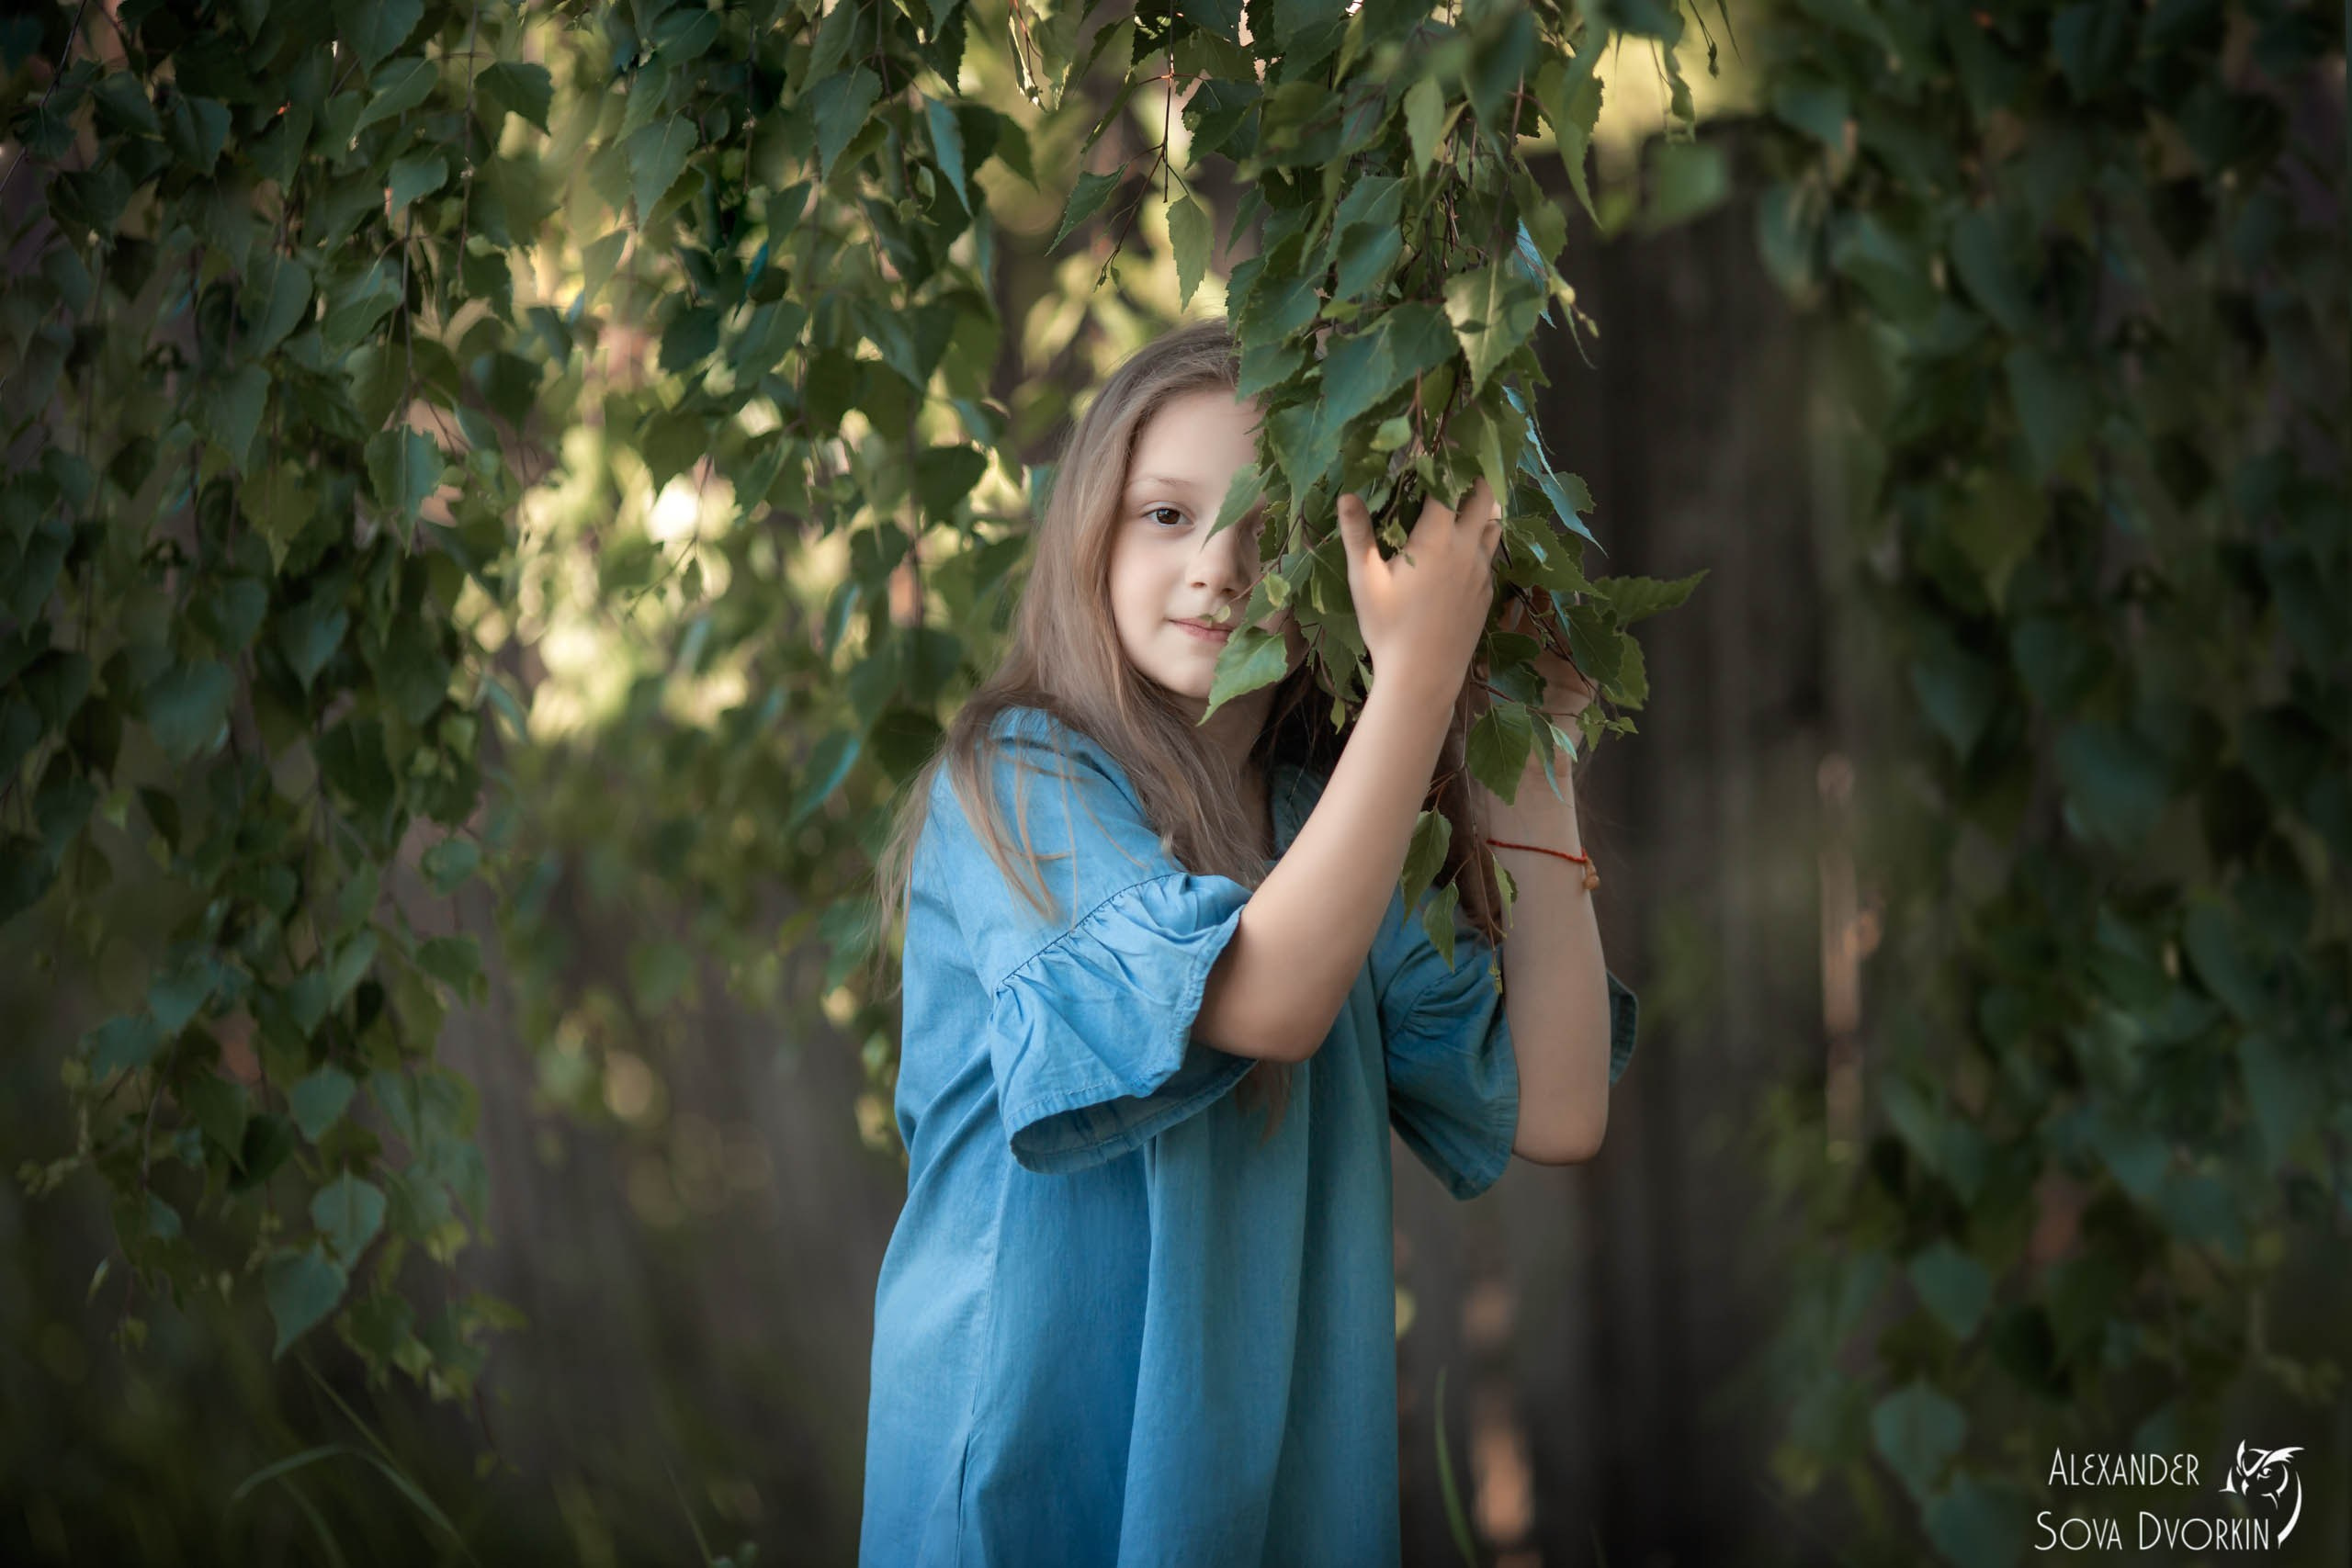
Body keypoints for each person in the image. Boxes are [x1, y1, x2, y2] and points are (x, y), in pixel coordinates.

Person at [858, 317, 1640, 1565]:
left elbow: (1555, 1108)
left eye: (1271, 528)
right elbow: (1266, 1000)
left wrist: (1535, 742)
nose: (1220, 568)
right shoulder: (1015, 780)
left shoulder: (1331, 821)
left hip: (1257, 1494)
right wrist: (1419, 682)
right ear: (1093, 531)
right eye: (1165, 515)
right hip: (1039, 1483)